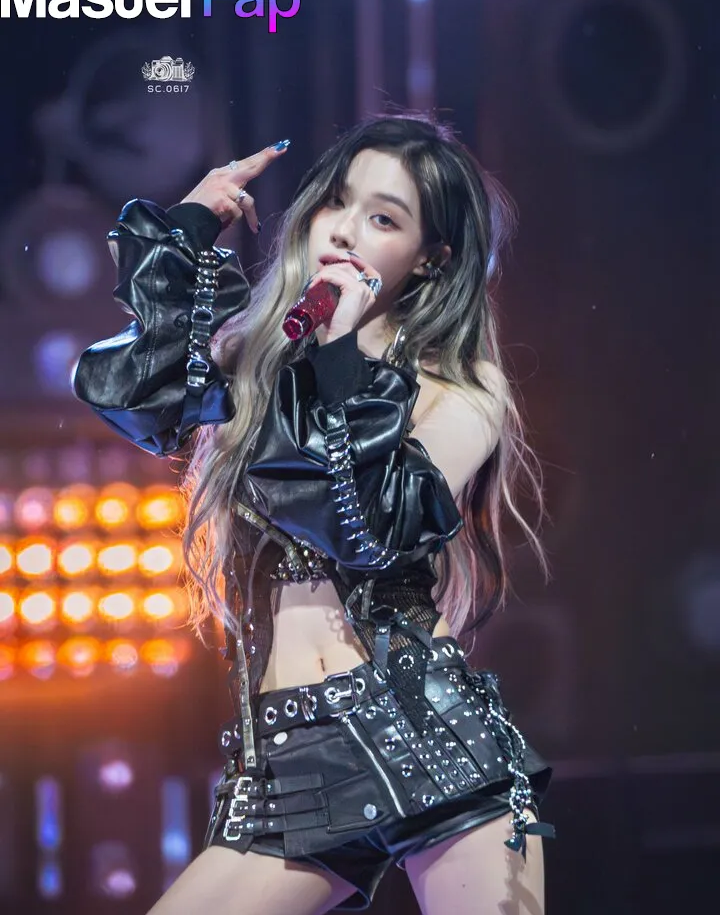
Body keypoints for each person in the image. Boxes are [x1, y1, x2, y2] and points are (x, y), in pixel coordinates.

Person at [73, 113, 556, 915]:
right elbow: (129, 393)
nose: (344, 229)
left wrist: (340, 356)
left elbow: (365, 526)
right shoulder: (254, 359)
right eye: (338, 200)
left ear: (430, 257)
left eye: (384, 218)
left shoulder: (461, 387)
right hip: (288, 765)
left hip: (424, 736)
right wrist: (185, 231)